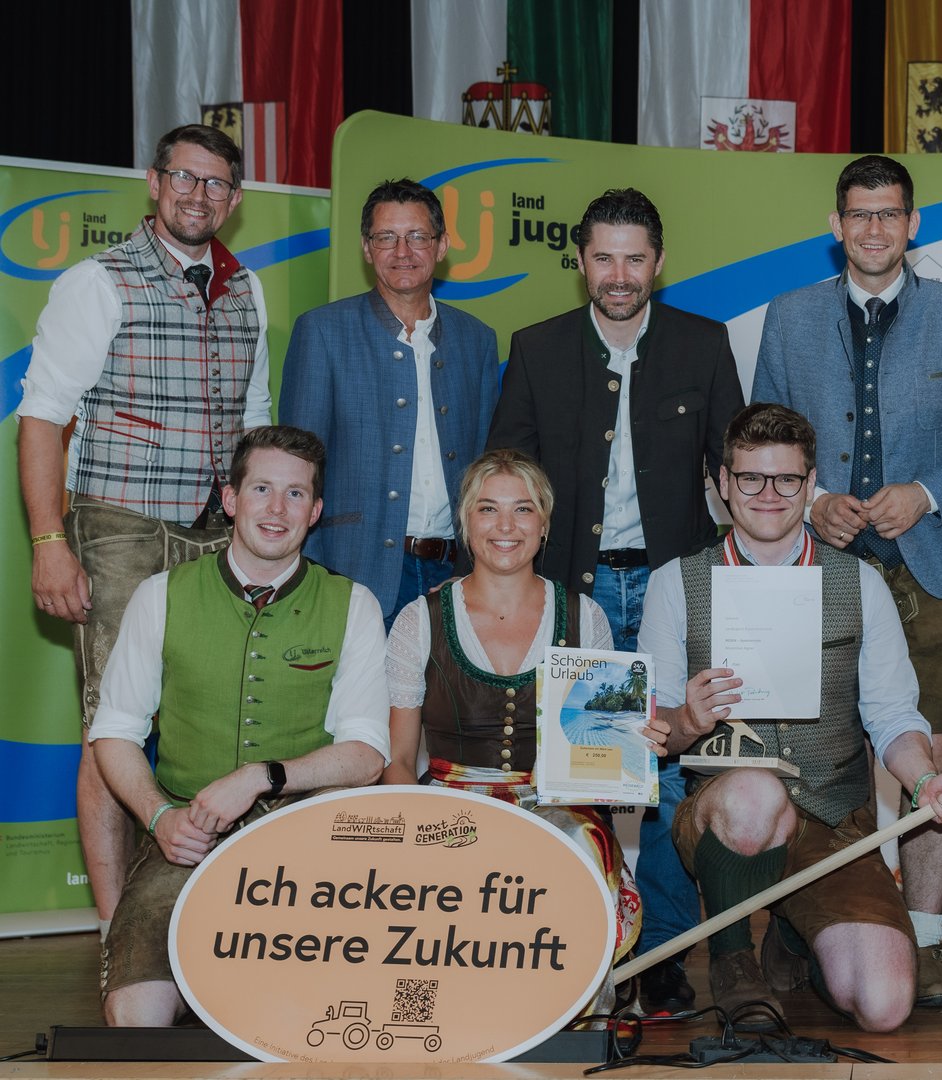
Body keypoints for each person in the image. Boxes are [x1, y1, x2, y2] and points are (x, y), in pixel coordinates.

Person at [752, 155, 942, 1007]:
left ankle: (928, 941)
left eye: (890, 214)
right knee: (808, 757)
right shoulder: (790, 317)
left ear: (914, 224)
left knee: (930, 756)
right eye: (859, 215)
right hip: (816, 569)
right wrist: (814, 501)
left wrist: (928, 493)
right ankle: (806, 929)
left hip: (932, 568)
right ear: (835, 226)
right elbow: (760, 436)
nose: (874, 229)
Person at [640, 403, 942, 1032]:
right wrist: (687, 717)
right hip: (728, 814)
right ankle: (733, 960)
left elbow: (891, 714)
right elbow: (654, 731)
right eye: (751, 478)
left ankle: (795, 936)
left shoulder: (861, 582)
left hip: (833, 819)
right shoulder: (674, 583)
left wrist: (925, 779)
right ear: (723, 483)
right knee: (753, 793)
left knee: (884, 1006)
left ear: (810, 482)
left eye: (787, 479)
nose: (769, 494)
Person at [485, 187, 743, 1014]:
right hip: (578, 597)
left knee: (663, 773)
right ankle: (575, 941)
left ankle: (659, 956)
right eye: (604, 258)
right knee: (583, 769)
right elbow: (507, 479)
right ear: (581, 263)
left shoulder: (703, 343)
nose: (620, 275)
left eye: (635, 258)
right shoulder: (537, 348)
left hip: (668, 593)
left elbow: (736, 471)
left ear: (658, 263)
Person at [17, 123, 271, 935]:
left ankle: (210, 922)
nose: (199, 195)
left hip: (218, 536)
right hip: (119, 526)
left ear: (235, 198)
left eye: (216, 183)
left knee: (215, 719)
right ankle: (116, 933)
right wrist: (49, 543)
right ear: (155, 184)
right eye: (184, 178)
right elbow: (42, 418)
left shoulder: (248, 289)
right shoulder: (98, 281)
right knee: (114, 724)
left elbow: (255, 419)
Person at [88, 426, 389, 1025]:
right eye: (261, 489)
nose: (277, 510)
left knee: (314, 1016)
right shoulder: (159, 596)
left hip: (311, 845)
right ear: (230, 499)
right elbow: (115, 733)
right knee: (136, 1018)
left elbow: (367, 754)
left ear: (316, 510)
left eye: (296, 494)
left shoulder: (354, 604)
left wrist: (260, 776)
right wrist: (160, 817)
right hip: (186, 840)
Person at [383, 449, 647, 1014]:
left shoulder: (586, 617)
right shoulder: (419, 619)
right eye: (488, 509)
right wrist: (410, 834)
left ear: (545, 524)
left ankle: (565, 1017)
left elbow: (602, 753)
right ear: (465, 522)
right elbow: (400, 759)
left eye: (523, 509)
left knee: (573, 843)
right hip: (450, 801)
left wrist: (634, 747)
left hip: (554, 801)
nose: (506, 526)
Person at [281, 179, 499, 626]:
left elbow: (487, 463)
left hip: (455, 574)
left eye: (417, 236)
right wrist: (311, 575)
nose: (403, 251)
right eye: (386, 237)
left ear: (442, 246)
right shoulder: (322, 331)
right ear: (366, 248)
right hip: (351, 572)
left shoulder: (477, 340)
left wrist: (476, 567)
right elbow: (296, 470)